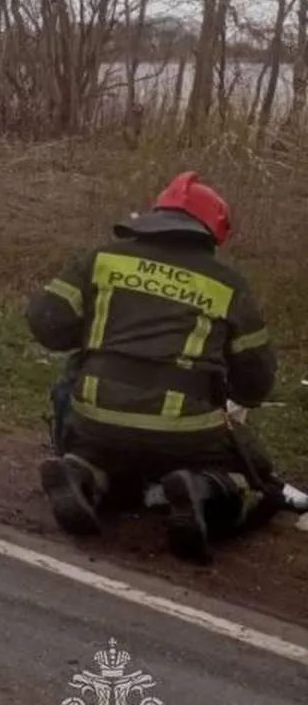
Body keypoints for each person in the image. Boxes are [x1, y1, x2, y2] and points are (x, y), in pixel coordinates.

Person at [28, 173, 282, 563]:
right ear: (212, 233)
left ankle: (82, 472)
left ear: (153, 215)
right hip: (185, 430)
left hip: (96, 416)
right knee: (255, 472)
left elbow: (46, 323)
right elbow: (256, 382)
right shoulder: (228, 285)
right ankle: (199, 487)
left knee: (104, 445)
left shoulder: (101, 260)